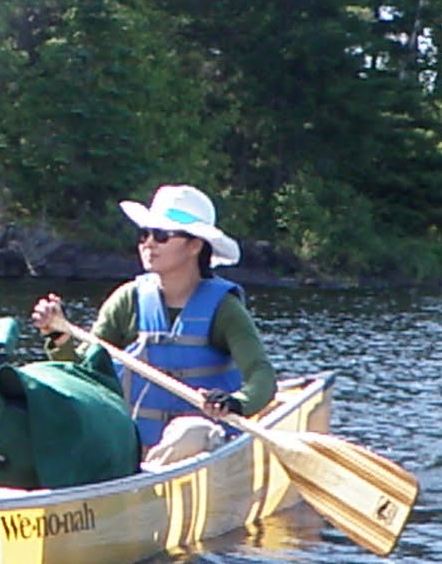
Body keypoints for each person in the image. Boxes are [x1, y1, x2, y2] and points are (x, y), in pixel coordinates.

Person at [29, 184, 276, 454]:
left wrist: (237, 402)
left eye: (161, 235)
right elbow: (84, 377)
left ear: (195, 245)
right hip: (136, 446)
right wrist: (60, 338)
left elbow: (261, 376)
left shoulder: (225, 309)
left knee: (192, 431)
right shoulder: (127, 300)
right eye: (143, 234)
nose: (148, 243)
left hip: (206, 444)